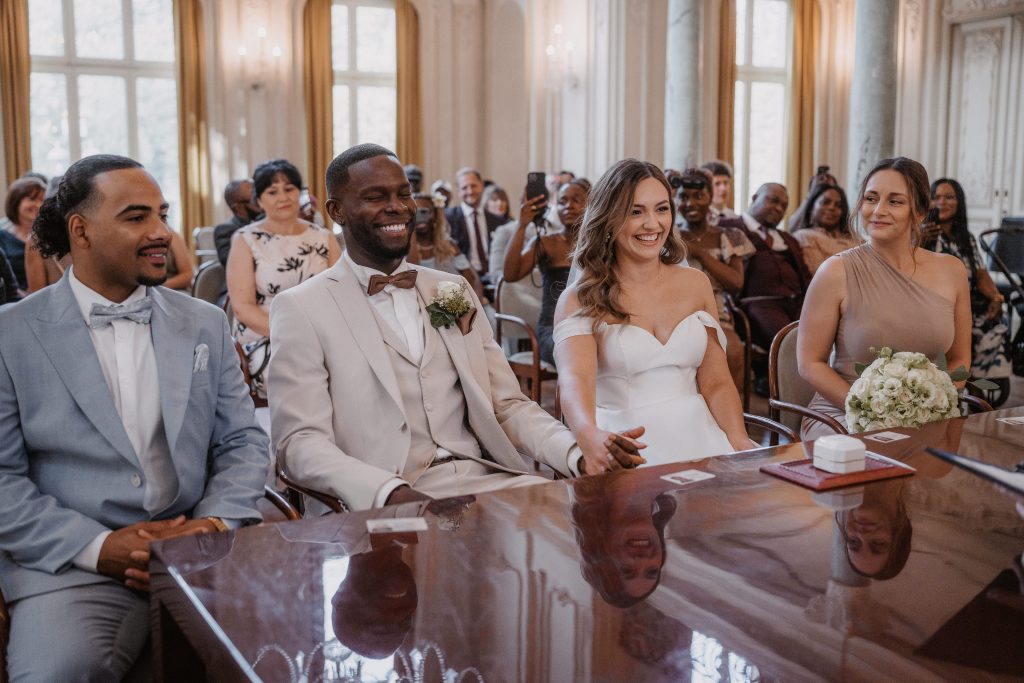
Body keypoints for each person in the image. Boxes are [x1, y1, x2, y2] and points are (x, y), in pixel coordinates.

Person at [0, 154, 269, 681]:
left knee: (280, 655)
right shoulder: (11, 335)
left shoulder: (204, 323)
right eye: (136, 217)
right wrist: (98, 548)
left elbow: (242, 442)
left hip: (197, 550)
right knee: (61, 672)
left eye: (162, 215)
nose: (161, 233)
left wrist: (211, 526)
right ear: (81, 230)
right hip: (68, 566)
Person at [268, 144, 642, 511]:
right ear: (337, 210)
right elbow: (299, 442)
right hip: (382, 501)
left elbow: (507, 405)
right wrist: (386, 492)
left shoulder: (449, 290)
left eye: (404, 194)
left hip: (490, 483)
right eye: (375, 197)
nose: (397, 207)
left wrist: (578, 453)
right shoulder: (302, 308)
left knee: (582, 541)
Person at [553, 159, 751, 470]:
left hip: (701, 435)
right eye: (636, 211)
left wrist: (738, 440)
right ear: (609, 218)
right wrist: (590, 436)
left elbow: (716, 380)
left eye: (661, 209)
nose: (653, 224)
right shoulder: (580, 298)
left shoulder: (696, 284)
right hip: (626, 444)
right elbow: (574, 380)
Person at [797, 157, 972, 440]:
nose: (878, 211)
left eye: (895, 201)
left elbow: (960, 360)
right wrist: (871, 410)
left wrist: (928, 405)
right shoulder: (835, 271)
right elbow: (810, 363)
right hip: (844, 415)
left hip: (923, 418)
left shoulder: (952, 271)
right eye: (871, 198)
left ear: (919, 212)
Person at [227, 159, 340, 394]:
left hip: (322, 335)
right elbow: (243, 308)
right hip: (266, 336)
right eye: (272, 191)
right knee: (297, 376)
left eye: (289, 189)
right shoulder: (246, 240)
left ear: (300, 192)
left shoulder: (324, 237)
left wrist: (322, 336)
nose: (283, 197)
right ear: (258, 200)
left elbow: (341, 294)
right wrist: (292, 335)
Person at [675, 168, 755, 390]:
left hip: (716, 310)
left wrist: (699, 253)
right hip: (674, 308)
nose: (690, 203)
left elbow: (736, 283)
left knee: (733, 349)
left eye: (698, 196)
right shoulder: (669, 236)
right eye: (683, 197)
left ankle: (733, 414)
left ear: (710, 197)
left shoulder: (727, 235)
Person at [925, 177, 1011, 381]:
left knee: (996, 320)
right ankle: (956, 379)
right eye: (936, 197)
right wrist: (918, 238)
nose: (942, 202)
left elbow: (981, 273)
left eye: (949, 197)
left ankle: (979, 382)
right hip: (936, 304)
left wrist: (996, 297)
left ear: (959, 202)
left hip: (967, 302)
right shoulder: (922, 233)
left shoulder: (966, 237)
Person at [503, 177, 590, 366]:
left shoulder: (600, 246)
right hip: (553, 329)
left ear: (591, 203)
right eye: (562, 201)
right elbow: (510, 274)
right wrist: (522, 224)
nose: (568, 206)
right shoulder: (547, 243)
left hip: (589, 326)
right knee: (578, 349)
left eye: (576, 199)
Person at [737, 183, 813, 352]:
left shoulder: (787, 238)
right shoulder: (731, 226)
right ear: (755, 198)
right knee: (791, 343)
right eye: (774, 201)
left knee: (826, 335)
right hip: (760, 303)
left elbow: (806, 276)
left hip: (799, 302)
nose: (779, 209)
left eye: (784, 206)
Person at [408, 192, 483, 299]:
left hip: (452, 304)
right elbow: (412, 273)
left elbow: (471, 279)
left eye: (424, 212)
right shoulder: (404, 249)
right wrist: (411, 229)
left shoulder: (449, 245)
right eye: (415, 213)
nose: (420, 216)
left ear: (434, 215)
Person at [444, 167, 505, 279]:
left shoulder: (498, 221)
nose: (470, 191)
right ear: (458, 191)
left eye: (473, 186)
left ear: (481, 186)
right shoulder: (448, 218)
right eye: (464, 188)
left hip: (493, 278)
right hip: (462, 278)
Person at [791, 183, 862, 274]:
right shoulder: (804, 236)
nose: (832, 207)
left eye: (838, 205)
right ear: (812, 207)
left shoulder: (855, 238)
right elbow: (818, 273)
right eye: (825, 202)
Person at [1, 176, 47, 293]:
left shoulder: (47, 234)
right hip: (11, 299)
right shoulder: (2, 236)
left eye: (42, 200)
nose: (38, 205)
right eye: (32, 199)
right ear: (16, 202)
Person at [213, 178, 261, 267]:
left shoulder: (271, 222)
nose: (261, 202)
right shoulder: (225, 230)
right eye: (255, 199)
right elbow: (234, 264)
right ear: (238, 207)